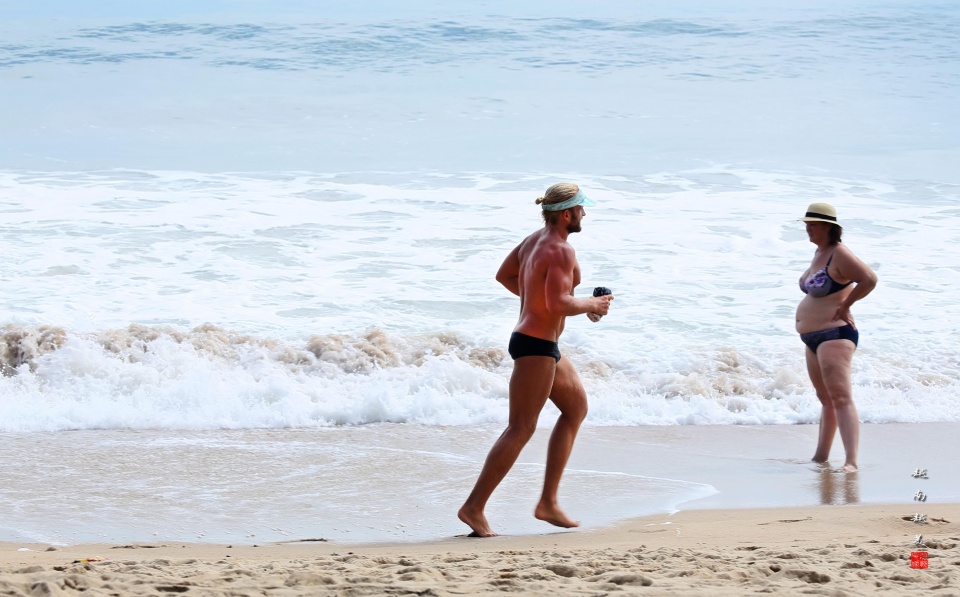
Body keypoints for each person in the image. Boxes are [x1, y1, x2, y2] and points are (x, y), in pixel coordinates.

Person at [457, 182, 613, 537]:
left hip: (541, 344)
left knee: (575, 409)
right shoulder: (560, 250)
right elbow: (559, 302)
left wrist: (547, 302)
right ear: (566, 213)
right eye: (581, 209)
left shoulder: (533, 240)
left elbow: (506, 276)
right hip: (535, 348)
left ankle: (548, 502)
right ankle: (474, 507)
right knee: (521, 428)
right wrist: (590, 304)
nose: (585, 214)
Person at [796, 202, 877, 472]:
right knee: (825, 398)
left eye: (813, 224)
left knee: (841, 397)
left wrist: (846, 305)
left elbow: (869, 279)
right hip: (812, 338)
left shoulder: (839, 253)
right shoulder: (820, 253)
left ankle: (851, 461)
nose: (808, 228)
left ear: (829, 227)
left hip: (835, 334)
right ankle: (820, 457)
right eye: (806, 224)